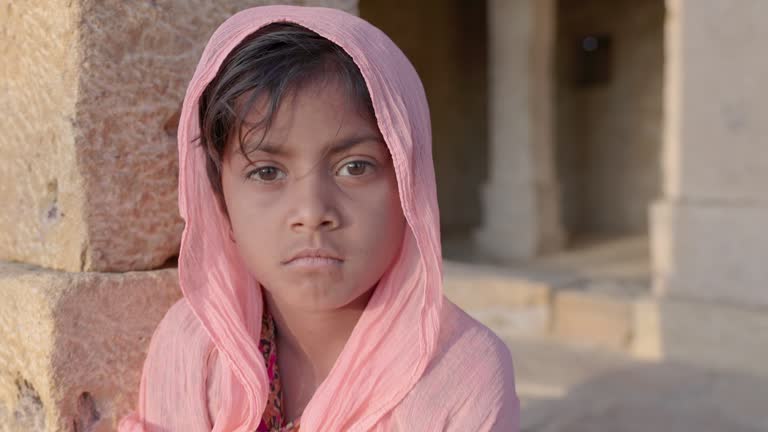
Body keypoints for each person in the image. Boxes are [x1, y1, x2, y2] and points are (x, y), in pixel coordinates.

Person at [119, 5, 519, 431]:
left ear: (410, 185)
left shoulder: (462, 374)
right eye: (266, 172)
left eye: (355, 167)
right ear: (221, 202)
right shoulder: (194, 348)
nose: (312, 213)